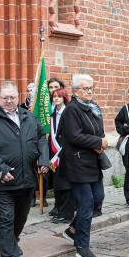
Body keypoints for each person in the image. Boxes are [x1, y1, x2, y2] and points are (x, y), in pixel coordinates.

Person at [0, 81, 49, 257]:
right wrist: (0, 168)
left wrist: (43, 159)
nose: (9, 101)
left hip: (27, 179)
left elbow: (42, 136)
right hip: (4, 181)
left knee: (21, 216)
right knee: (6, 219)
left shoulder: (27, 116)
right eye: (5, 98)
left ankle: (12, 242)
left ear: (18, 97)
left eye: (13, 97)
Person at [57, 74, 106, 257]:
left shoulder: (93, 108)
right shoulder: (72, 110)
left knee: (98, 199)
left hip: (92, 161)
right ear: (76, 91)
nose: (90, 91)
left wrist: (98, 142)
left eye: (91, 88)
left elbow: (98, 130)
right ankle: (81, 246)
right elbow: (74, 136)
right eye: (86, 88)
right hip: (77, 164)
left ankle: (72, 230)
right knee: (86, 204)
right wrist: (98, 141)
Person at [48, 87, 74, 224]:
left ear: (64, 98)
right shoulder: (53, 115)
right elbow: (52, 136)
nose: (56, 98)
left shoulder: (68, 112)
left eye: (59, 96)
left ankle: (67, 213)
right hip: (55, 155)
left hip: (66, 153)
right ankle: (59, 210)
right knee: (58, 184)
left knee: (66, 185)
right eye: (54, 96)